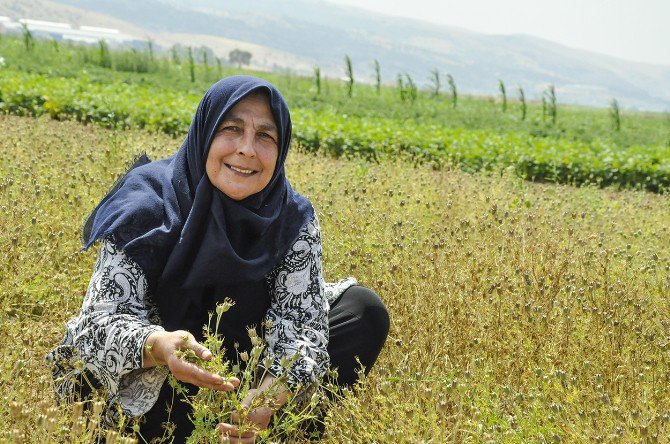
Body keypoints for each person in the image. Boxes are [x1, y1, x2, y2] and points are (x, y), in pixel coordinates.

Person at [46, 75, 390, 443]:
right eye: (232, 129)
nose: (246, 149)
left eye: (265, 136)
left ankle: (260, 433)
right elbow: (99, 324)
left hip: (242, 372)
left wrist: (266, 401)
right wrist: (160, 347)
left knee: (361, 311)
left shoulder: (291, 216)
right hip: (161, 374)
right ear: (205, 131)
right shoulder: (145, 206)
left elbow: (301, 324)